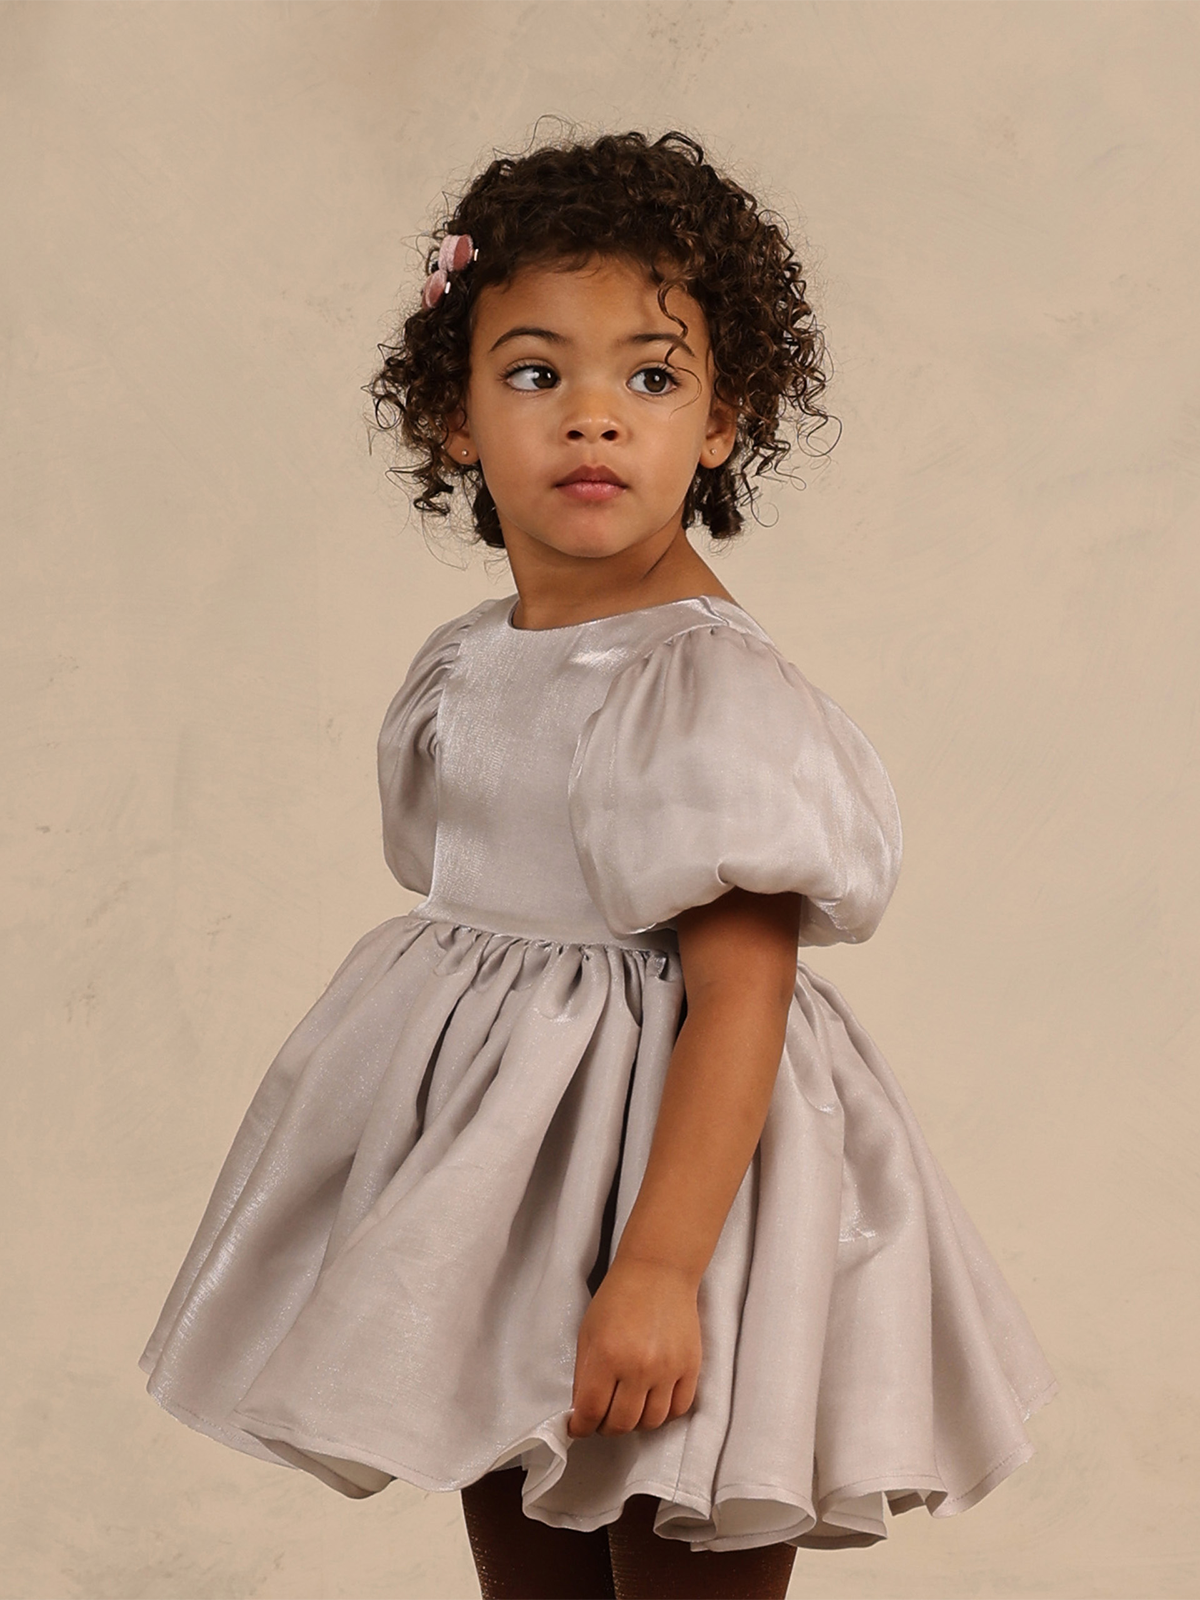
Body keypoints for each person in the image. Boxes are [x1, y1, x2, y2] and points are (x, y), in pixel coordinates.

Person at [139, 130, 1058, 1600]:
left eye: (649, 376)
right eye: (532, 373)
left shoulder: (702, 686)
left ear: (718, 421)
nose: (592, 421)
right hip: (506, 1185)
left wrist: (655, 1271)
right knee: (532, 1544)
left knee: (672, 1531)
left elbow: (741, 1000)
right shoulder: (468, 666)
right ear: (454, 417)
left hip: (680, 1196)